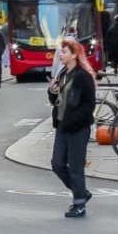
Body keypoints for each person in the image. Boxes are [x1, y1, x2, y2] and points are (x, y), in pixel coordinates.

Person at [48, 38, 97, 218]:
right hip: (62, 125)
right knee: (57, 164)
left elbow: (89, 105)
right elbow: (57, 100)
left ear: (75, 54)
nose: (61, 55)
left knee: (76, 167)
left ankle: (79, 204)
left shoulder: (82, 76)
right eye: (61, 52)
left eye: (64, 52)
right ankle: (81, 192)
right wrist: (52, 92)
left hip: (78, 128)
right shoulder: (63, 73)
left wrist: (75, 120)